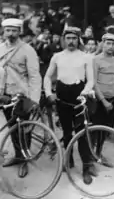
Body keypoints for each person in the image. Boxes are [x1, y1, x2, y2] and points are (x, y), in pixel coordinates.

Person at [44, 26, 95, 185]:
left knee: (82, 133)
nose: (71, 41)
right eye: (68, 38)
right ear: (64, 40)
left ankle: (86, 167)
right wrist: (48, 93)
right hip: (62, 95)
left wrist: (85, 92)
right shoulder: (57, 57)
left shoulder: (86, 57)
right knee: (66, 131)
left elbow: (91, 80)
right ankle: (69, 160)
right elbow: (47, 77)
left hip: (79, 95)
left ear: (78, 39)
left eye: (74, 38)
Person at [0, 18, 41, 178]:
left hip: (22, 95)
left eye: (14, 30)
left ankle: (24, 159)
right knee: (12, 129)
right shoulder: (1, 48)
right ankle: (17, 155)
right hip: (5, 96)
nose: (10, 33)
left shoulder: (27, 50)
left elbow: (34, 76)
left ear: (20, 32)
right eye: (8, 30)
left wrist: (35, 99)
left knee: (24, 130)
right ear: (3, 31)